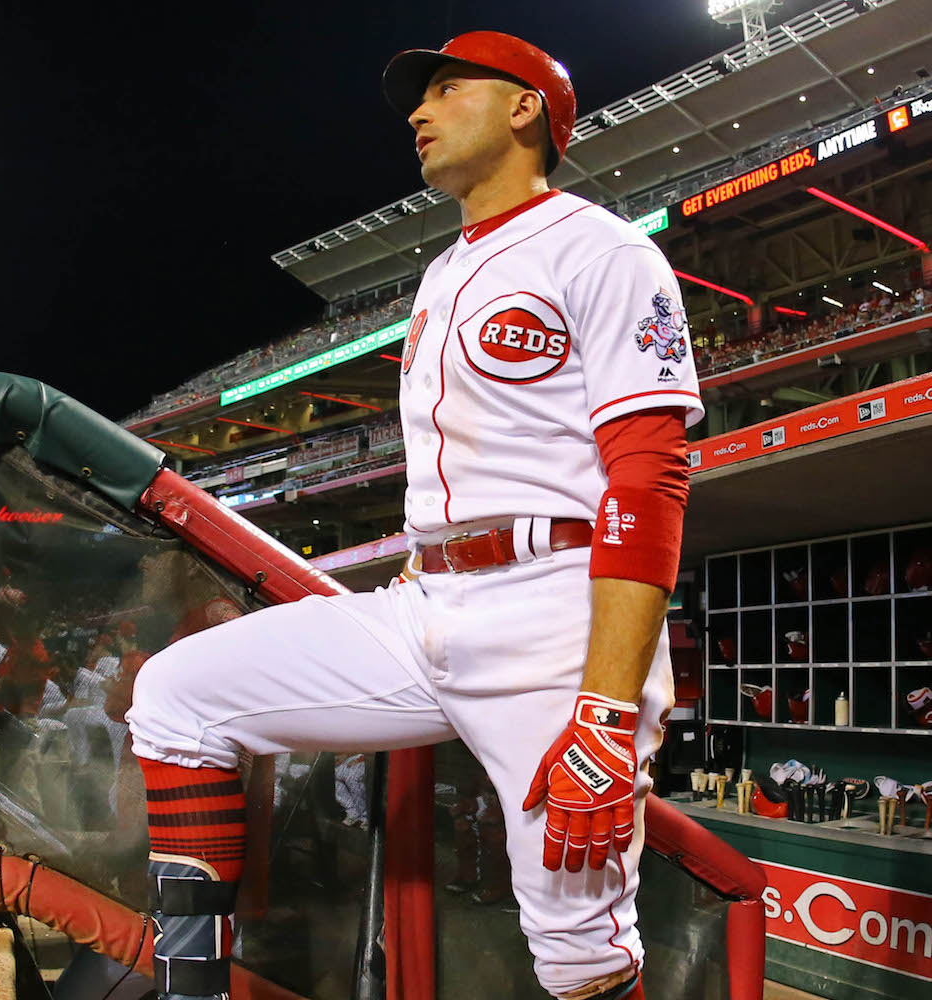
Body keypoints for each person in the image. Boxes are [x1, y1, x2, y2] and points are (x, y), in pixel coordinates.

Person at [126, 31, 700, 1000]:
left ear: (526, 106)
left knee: (578, 948)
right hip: (428, 601)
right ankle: (191, 990)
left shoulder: (602, 249)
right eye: (416, 99)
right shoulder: (439, 274)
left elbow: (646, 479)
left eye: (445, 87)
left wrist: (604, 708)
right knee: (177, 695)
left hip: (554, 621)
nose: (416, 114)